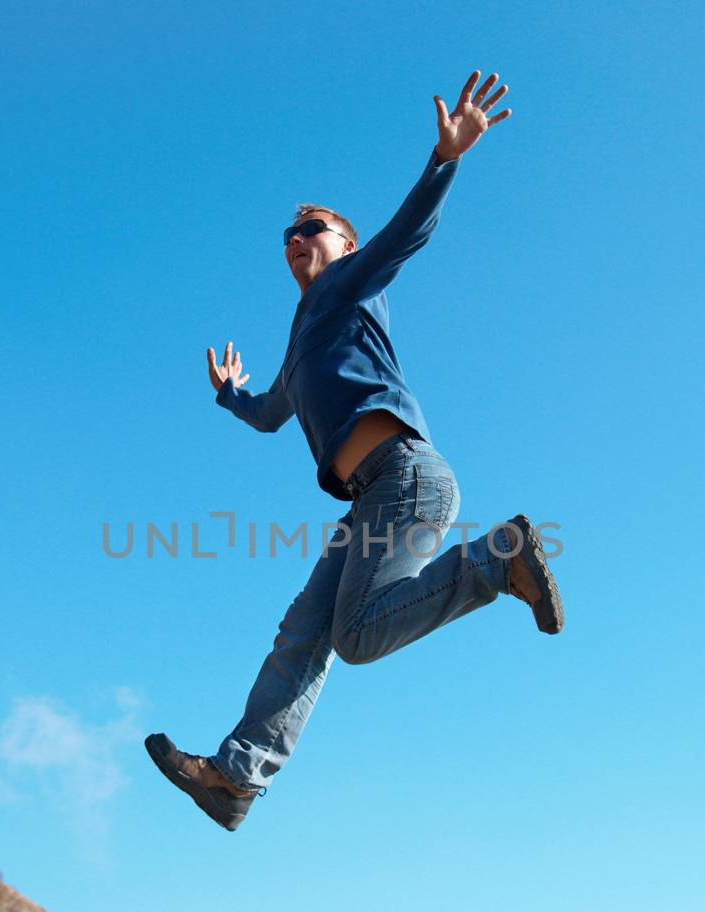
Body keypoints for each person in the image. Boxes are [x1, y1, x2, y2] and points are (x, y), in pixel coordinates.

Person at [145, 71, 564, 830]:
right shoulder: (303, 338)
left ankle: (496, 560)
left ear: (345, 247)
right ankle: (236, 777)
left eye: (313, 230)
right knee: (304, 628)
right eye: (288, 236)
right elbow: (273, 414)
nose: (297, 240)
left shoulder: (348, 285)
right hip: (375, 496)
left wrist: (445, 160)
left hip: (407, 479)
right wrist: (227, 395)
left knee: (359, 636)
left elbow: (407, 235)